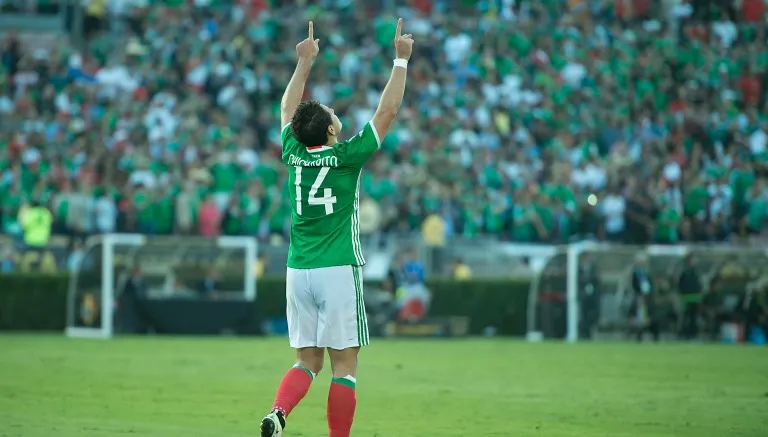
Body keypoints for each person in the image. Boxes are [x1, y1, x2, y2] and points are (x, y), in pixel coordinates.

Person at [259, 20, 414, 437]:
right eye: (330, 112)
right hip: (338, 268)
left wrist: (304, 62)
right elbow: (387, 111)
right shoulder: (348, 157)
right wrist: (401, 58)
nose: (333, 111)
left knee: (306, 361)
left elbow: (286, 110)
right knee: (344, 367)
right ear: (330, 129)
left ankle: (278, 412)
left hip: (298, 270)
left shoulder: (291, 153)